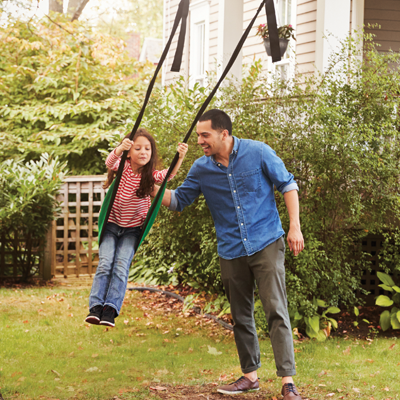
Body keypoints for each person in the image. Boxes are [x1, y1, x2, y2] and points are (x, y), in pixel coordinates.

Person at [159, 110, 304, 399]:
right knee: (241, 315)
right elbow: (178, 201)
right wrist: (149, 187)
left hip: (266, 241)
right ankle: (250, 375)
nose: (200, 140)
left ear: (224, 134)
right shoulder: (201, 169)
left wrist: (295, 227)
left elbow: (288, 184)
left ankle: (288, 381)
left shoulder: (258, 152)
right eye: (199, 135)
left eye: (205, 135)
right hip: (231, 249)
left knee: (276, 310)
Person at [85, 129, 188, 328]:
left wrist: (180, 156)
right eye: (138, 148)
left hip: (132, 230)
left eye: (147, 148)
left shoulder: (150, 176)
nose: (143, 152)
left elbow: (169, 175)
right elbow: (109, 163)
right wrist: (119, 149)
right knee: (105, 264)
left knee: (121, 266)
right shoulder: (122, 167)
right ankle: (95, 307)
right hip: (112, 226)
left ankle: (110, 310)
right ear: (129, 152)